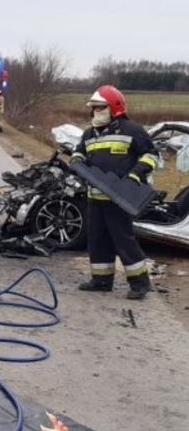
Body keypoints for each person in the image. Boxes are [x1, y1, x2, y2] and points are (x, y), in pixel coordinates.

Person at [69, 85, 158, 300]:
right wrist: (77, 161)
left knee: (124, 240)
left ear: (114, 108)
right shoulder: (89, 134)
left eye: (100, 107)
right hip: (95, 198)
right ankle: (101, 280)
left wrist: (136, 174)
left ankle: (140, 283)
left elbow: (152, 155)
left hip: (120, 199)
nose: (95, 112)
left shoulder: (132, 130)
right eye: (93, 108)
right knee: (97, 240)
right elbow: (78, 153)